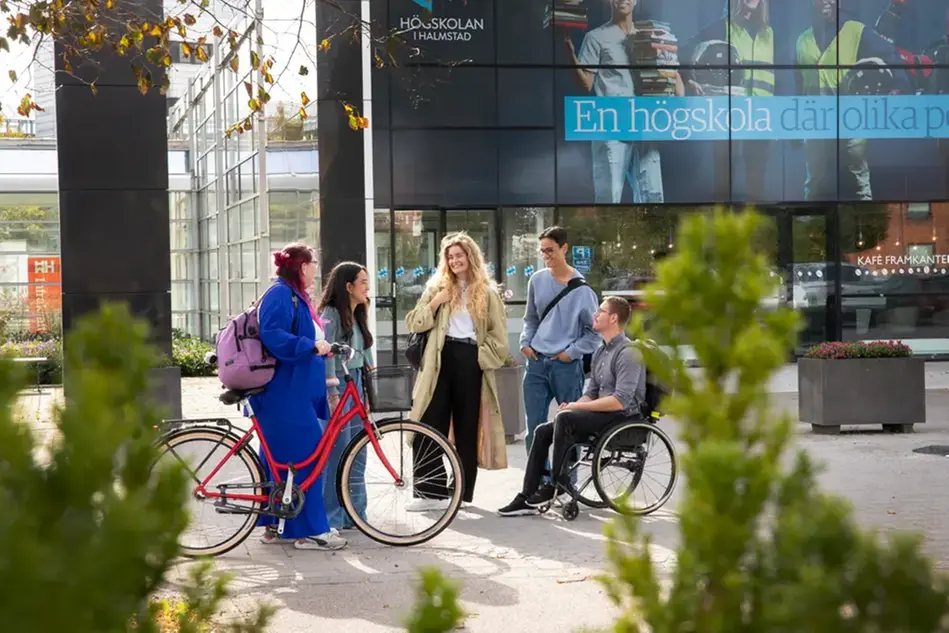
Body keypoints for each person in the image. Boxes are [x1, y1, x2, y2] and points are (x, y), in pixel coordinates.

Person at [499, 296, 645, 517]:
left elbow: (620, 400)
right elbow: (592, 392)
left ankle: (557, 485)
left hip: (622, 417)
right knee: (542, 429)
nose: (595, 315)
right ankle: (527, 495)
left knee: (566, 419)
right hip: (603, 414)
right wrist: (575, 405)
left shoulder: (628, 353)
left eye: (601, 312)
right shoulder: (599, 352)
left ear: (613, 318)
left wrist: (580, 410)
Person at [251, 243, 347, 550]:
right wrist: (308, 345)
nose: (316, 269)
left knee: (281, 461)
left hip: (291, 392)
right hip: (284, 394)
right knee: (306, 459)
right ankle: (311, 530)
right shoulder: (281, 294)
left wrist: (321, 347)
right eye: (313, 263)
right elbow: (272, 334)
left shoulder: (294, 295)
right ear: (301, 267)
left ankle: (276, 525)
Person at [405, 232, 509, 510]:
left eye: (459, 255)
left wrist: (479, 356)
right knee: (428, 422)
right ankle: (430, 492)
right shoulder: (436, 287)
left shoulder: (487, 293)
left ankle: (461, 494)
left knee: (466, 428)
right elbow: (414, 322)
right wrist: (437, 301)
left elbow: (499, 338)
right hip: (439, 359)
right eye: (450, 257)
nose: (454, 261)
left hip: (470, 360)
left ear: (470, 256)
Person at [564, 0, 684, 203]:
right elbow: (586, 84)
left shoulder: (649, 38)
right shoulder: (597, 37)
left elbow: (676, 88)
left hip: (644, 125)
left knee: (652, 194)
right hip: (611, 126)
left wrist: (671, 64)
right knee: (608, 195)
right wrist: (570, 55)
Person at [795, 0, 906, 200]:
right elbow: (797, 85)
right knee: (814, 185)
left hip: (851, 122)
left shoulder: (855, 30)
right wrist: (794, 129)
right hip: (815, 125)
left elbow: (890, 54)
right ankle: (808, 228)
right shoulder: (802, 40)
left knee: (859, 182)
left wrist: (898, 85)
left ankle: (866, 228)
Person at [519, 226, 600, 457]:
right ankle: (538, 484)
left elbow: (594, 333)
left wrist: (571, 353)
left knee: (570, 429)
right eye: (543, 251)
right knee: (533, 430)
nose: (546, 256)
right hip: (535, 364)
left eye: (551, 250)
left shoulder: (582, 291)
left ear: (564, 248)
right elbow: (531, 318)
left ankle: (568, 483)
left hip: (565, 366)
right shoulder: (536, 280)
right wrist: (525, 342)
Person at [683, 0, 774, 200]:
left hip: (761, 118)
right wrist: (690, 80)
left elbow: (780, 79)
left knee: (757, 185)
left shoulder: (769, 34)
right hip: (728, 117)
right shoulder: (723, 27)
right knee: (725, 183)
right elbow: (685, 52)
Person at [318, 261, 374, 532]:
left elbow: (364, 351)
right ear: (348, 286)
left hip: (356, 383)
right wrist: (332, 392)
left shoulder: (359, 312)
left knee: (358, 451)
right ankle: (332, 517)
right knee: (338, 453)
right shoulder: (331, 313)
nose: (368, 286)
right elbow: (326, 354)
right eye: (363, 282)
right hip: (338, 385)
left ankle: (356, 513)